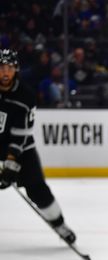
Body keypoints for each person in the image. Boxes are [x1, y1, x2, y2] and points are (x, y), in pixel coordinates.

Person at [0, 49, 77, 244]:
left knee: (37, 190)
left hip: (23, 151)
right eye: (1, 67)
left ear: (16, 69)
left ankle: (59, 224)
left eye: (9, 67)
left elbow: (21, 135)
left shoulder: (25, 96)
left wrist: (10, 164)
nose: (5, 72)